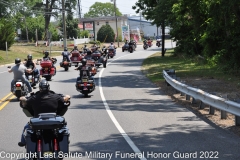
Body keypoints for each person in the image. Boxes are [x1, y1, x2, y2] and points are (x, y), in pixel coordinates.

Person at [18, 79, 71, 147]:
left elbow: (25, 101)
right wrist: (68, 96)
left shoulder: (34, 97)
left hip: (38, 121)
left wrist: (22, 98)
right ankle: (66, 140)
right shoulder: (56, 96)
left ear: (40, 88)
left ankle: (23, 142)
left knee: (26, 127)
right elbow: (65, 99)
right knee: (64, 126)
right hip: (53, 120)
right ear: (48, 87)